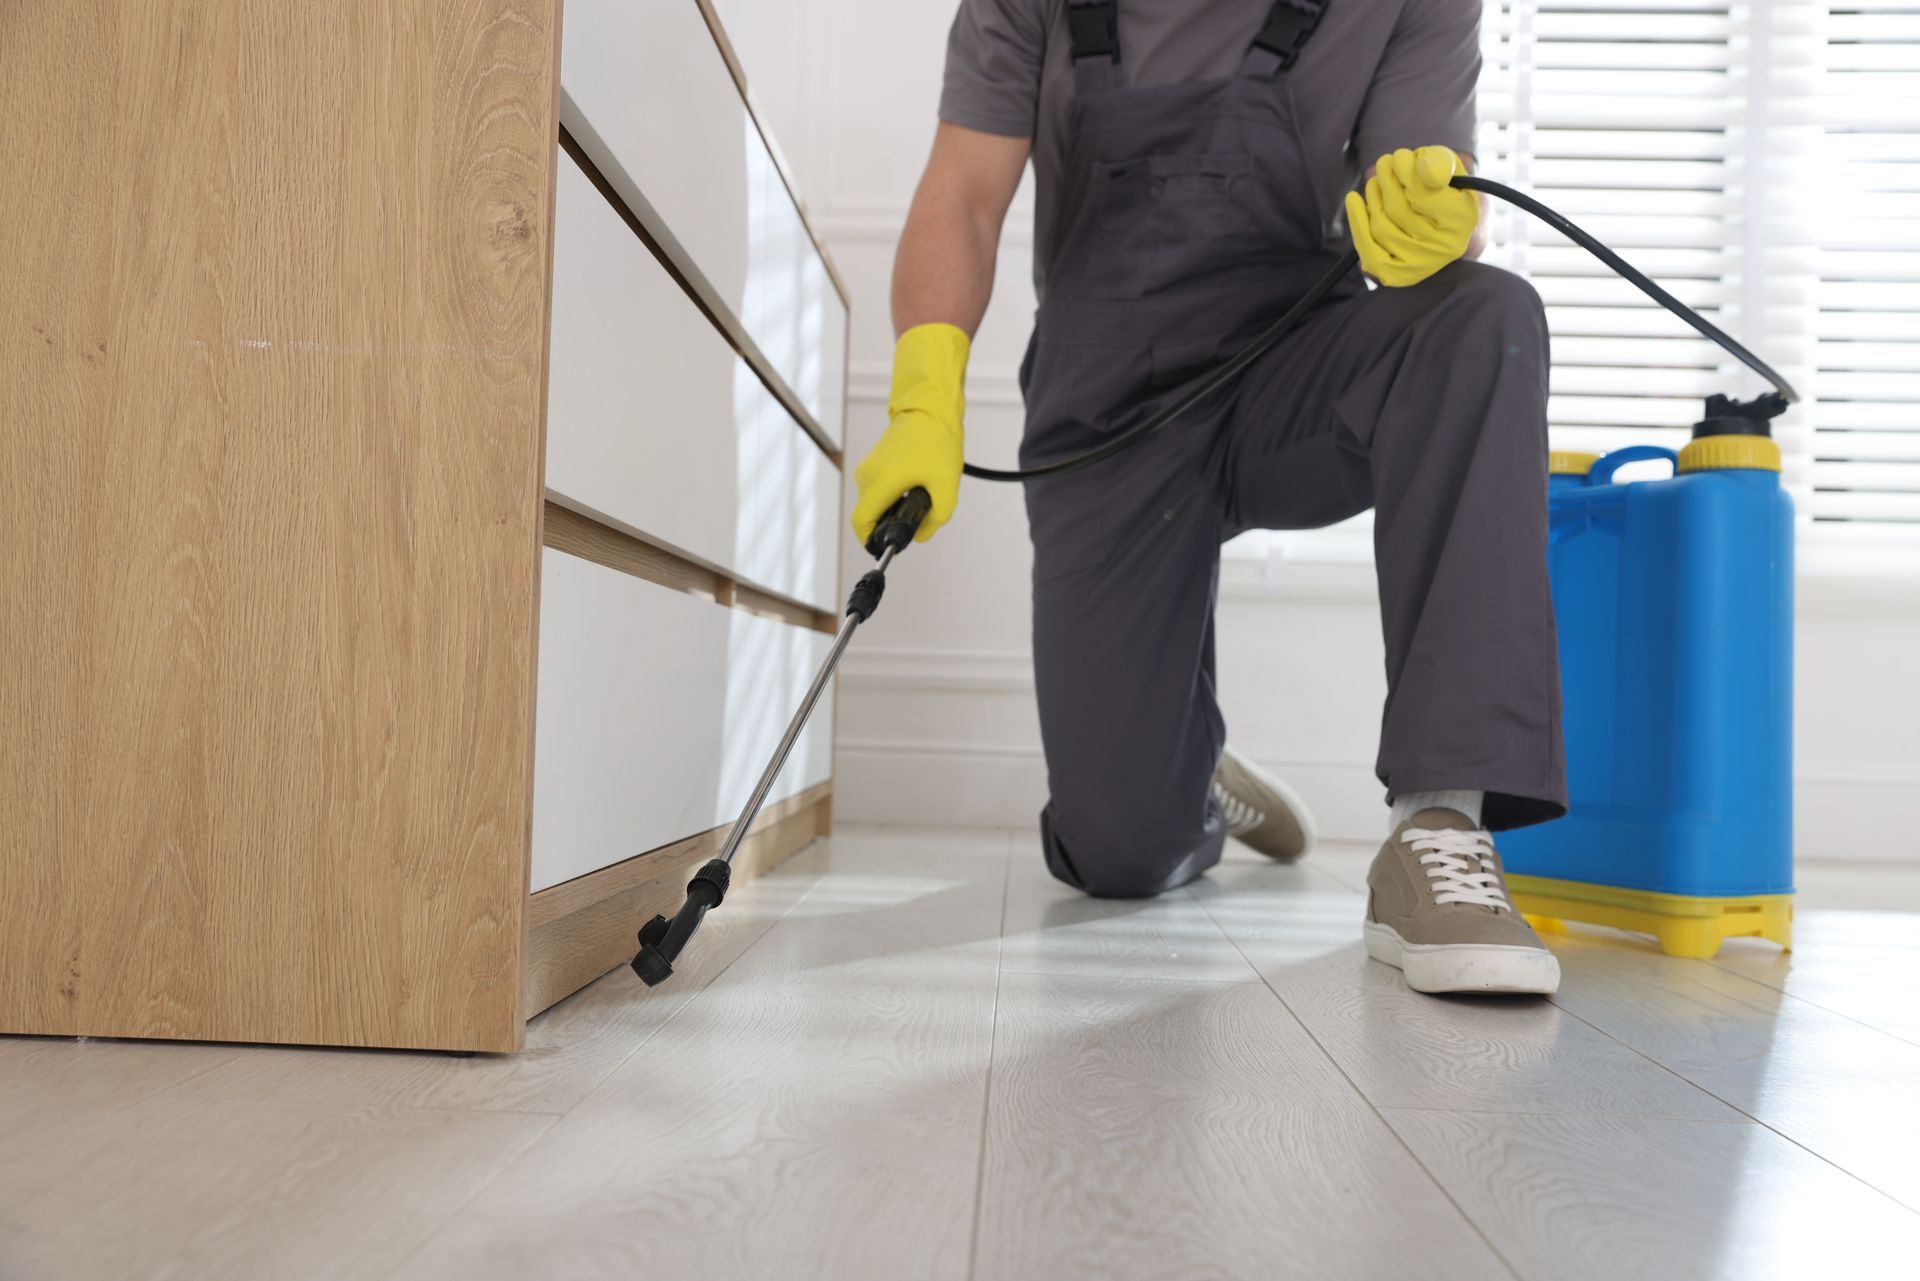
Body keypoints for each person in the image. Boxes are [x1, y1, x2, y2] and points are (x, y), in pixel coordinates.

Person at [850, 0, 1565, 996]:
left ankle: (1439, 828)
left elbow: (1420, 171)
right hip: (1106, 406)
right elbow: (966, 193)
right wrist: (924, 398)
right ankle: (1189, 774)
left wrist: (1436, 216)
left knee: (1485, 320)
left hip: (1294, 372)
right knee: (1119, 855)